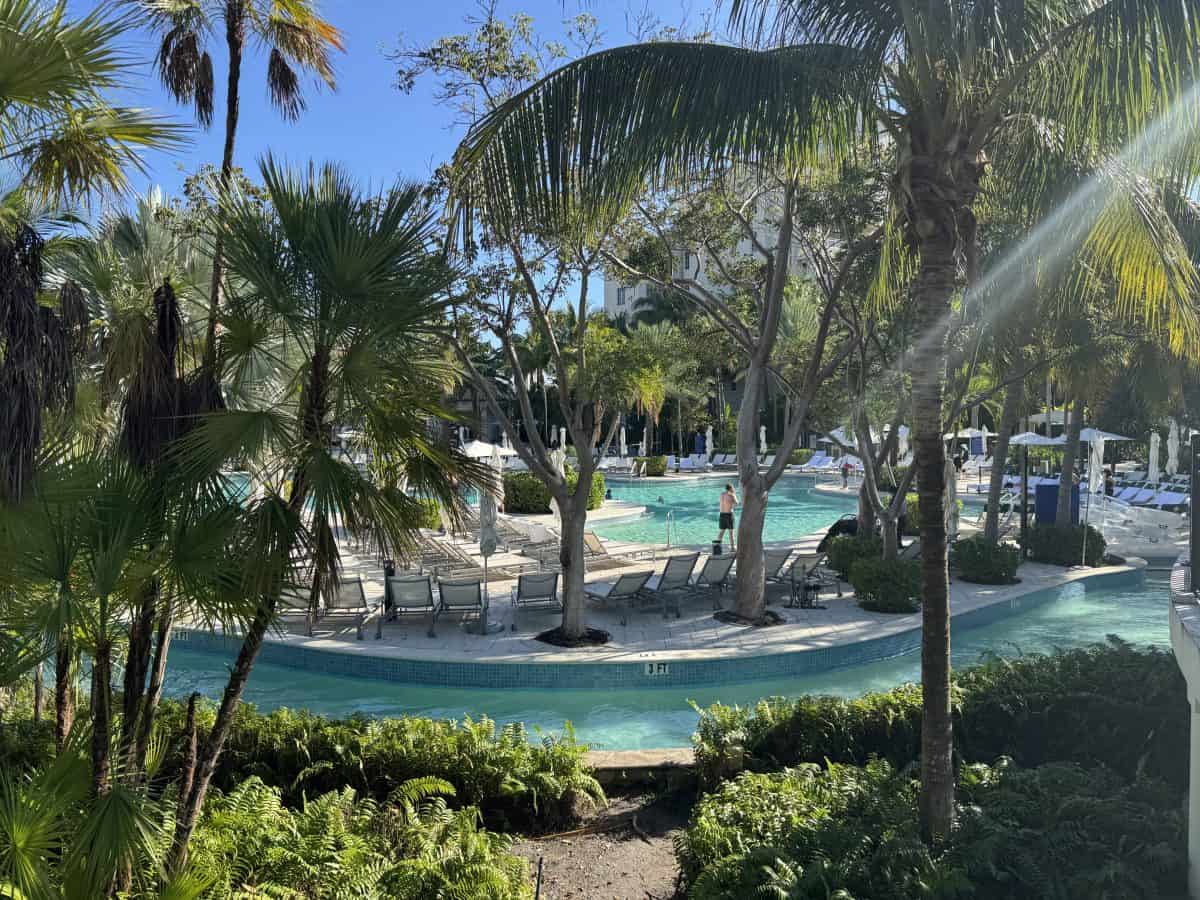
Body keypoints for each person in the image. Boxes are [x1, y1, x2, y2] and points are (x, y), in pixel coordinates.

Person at [716, 483, 739, 551]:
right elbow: (737, 503)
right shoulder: (731, 495)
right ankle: (732, 548)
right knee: (731, 532)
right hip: (729, 514)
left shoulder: (721, 494)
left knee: (721, 532)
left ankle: (717, 547)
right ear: (731, 488)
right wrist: (733, 494)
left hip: (721, 514)